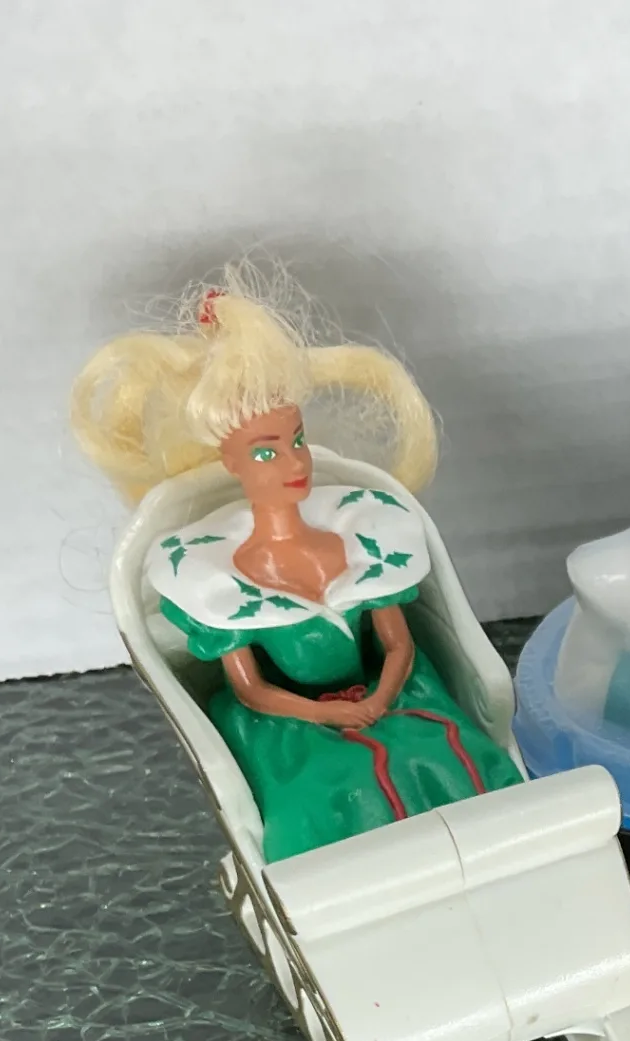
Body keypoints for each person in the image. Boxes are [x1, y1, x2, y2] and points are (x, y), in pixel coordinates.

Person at [72, 268, 520, 861]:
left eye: (296, 440)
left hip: (394, 697)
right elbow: (252, 688)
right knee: (338, 791)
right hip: (292, 726)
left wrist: (378, 699)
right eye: (266, 452)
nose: (294, 462)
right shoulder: (212, 576)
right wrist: (324, 713)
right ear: (231, 463)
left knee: (443, 758)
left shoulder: (364, 537)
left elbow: (398, 644)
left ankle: (499, 854)